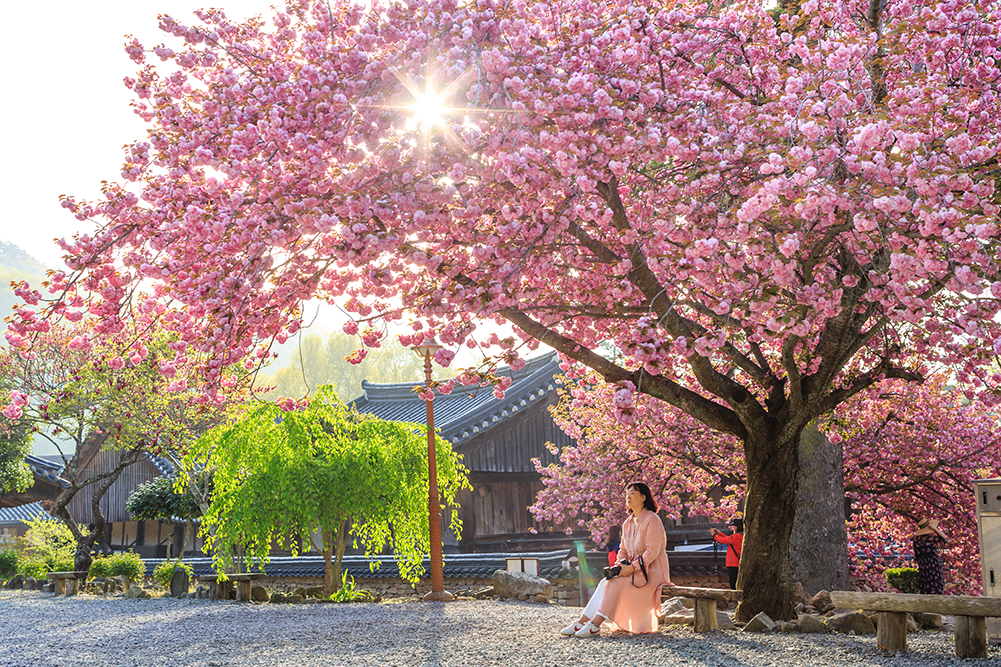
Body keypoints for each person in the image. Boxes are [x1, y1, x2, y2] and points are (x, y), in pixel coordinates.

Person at [560, 482, 672, 637]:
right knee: (604, 582)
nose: (628, 496)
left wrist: (631, 568)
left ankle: (595, 625)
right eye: (627, 493)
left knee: (614, 583)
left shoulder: (652, 519)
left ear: (643, 498)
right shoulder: (627, 523)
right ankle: (581, 622)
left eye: (633, 493)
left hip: (651, 572)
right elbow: (623, 550)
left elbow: (652, 552)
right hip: (632, 571)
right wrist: (619, 567)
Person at [913, 516, 948, 595]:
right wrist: (934, 529)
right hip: (932, 562)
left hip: (923, 564)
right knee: (935, 583)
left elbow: (916, 555)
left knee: (925, 584)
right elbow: (945, 539)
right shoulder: (930, 538)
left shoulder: (916, 540)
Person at [711, 517, 743, 590]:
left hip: (733, 563)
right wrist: (720, 533)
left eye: (734, 526)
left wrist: (714, 536)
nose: (733, 527)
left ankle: (735, 599)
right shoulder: (740, 536)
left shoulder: (736, 536)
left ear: (737, 527)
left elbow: (723, 540)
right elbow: (728, 539)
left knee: (733, 583)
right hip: (737, 562)